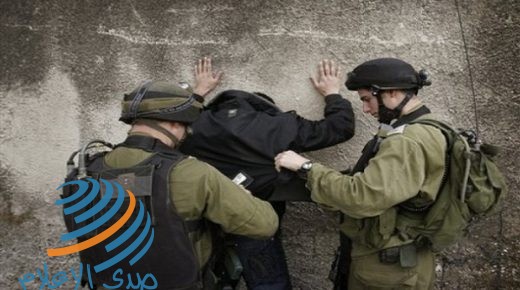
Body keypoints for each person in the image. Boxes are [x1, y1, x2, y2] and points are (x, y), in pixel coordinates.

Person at [78, 57, 279, 290]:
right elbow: (265, 225)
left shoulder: (90, 169)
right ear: (174, 124)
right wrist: (238, 194)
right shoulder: (193, 174)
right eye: (185, 125)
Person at [181, 60, 355, 290]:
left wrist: (197, 94)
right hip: (254, 215)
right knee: (268, 282)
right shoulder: (281, 125)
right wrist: (332, 94)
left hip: (204, 215)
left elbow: (169, 125)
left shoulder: (197, 124)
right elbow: (339, 128)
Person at [275, 58, 444, 289]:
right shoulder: (426, 126)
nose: (365, 109)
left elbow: (361, 197)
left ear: (391, 93)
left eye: (367, 99)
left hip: (388, 268)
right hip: (397, 260)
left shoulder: (406, 141)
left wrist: (306, 167)